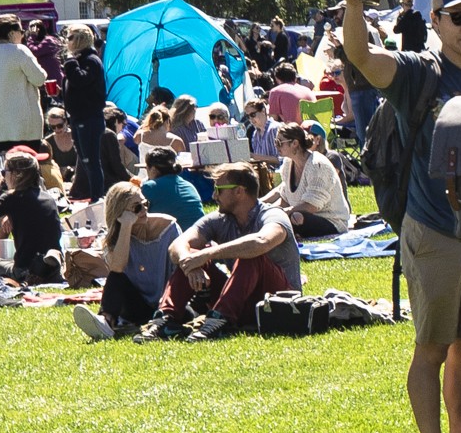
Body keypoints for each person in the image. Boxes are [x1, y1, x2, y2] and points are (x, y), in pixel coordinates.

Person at [340, 0, 461, 433]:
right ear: (435, 20)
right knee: (430, 349)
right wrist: (355, 5)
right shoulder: (418, 72)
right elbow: (361, 57)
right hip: (432, 231)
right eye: (458, 17)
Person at [157, 163, 300, 337]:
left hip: (279, 301)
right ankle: (166, 319)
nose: (214, 195)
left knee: (251, 253)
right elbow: (176, 246)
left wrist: (209, 253)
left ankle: (220, 320)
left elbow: (261, 242)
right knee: (190, 253)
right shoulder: (220, 219)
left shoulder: (273, 215)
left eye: (219, 190)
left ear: (239, 191)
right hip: (241, 299)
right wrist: (191, 263)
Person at [67, 181, 180, 340]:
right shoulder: (117, 238)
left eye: (145, 204)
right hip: (137, 304)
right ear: (120, 212)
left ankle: (125, 324)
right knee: (116, 277)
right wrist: (126, 227)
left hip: (167, 301)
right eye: (136, 207)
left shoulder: (167, 226)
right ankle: (105, 322)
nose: (143, 210)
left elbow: (179, 266)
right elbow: (117, 268)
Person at [0, 151, 65, 283]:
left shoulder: (14, 197)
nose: (3, 177)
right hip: (52, 269)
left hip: (24, 270)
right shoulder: (48, 198)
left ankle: (29, 273)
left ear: (17, 174)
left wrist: (4, 208)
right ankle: (48, 265)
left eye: (4, 172)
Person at [0, 17, 49, 152]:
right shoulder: (19, 51)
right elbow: (39, 78)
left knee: (3, 170)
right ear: (12, 33)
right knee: (27, 168)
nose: (23, 34)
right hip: (22, 128)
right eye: (21, 30)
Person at [273, 122, 353, 237]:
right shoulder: (288, 163)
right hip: (300, 215)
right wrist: (270, 210)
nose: (276, 146)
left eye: (279, 142)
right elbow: (285, 198)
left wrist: (286, 212)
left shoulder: (317, 165)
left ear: (295, 143)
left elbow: (311, 206)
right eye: (276, 142)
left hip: (331, 221)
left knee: (295, 217)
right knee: (276, 217)